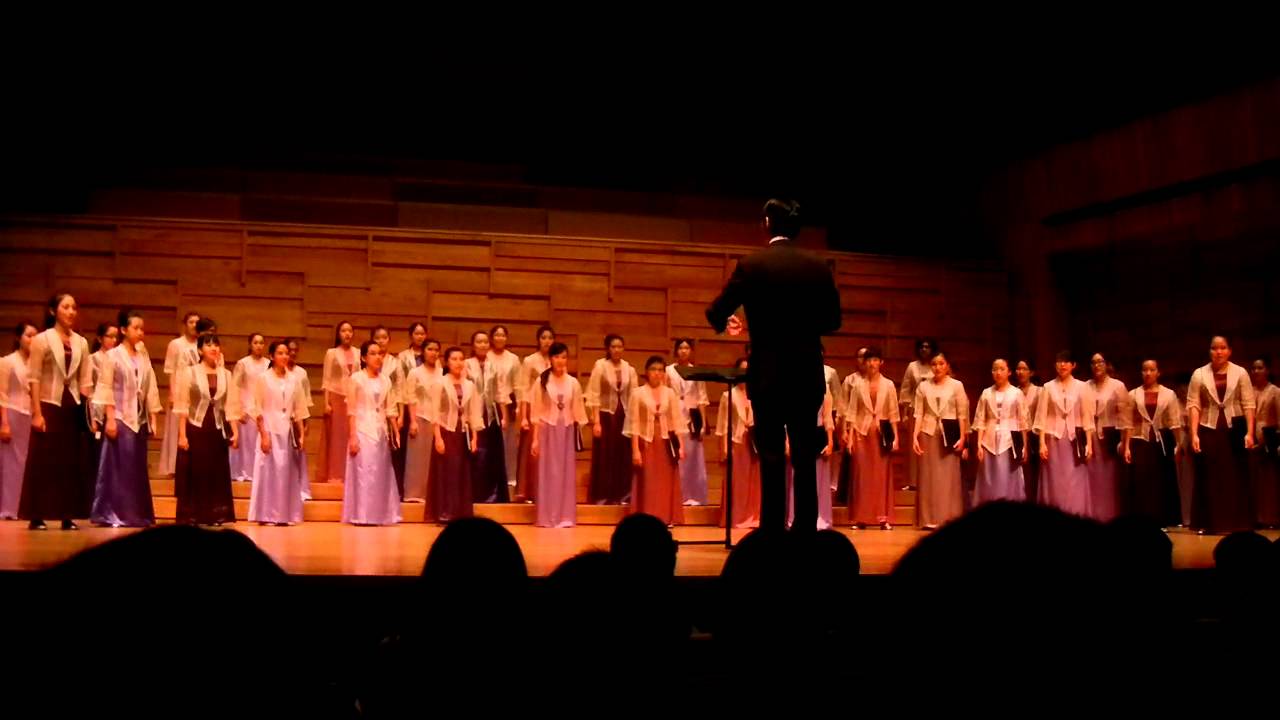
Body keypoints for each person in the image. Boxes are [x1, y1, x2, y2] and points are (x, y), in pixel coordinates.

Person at [705, 198, 842, 532]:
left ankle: (772, 532)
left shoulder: (752, 265)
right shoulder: (818, 266)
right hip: (807, 373)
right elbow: (834, 320)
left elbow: (716, 311)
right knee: (805, 458)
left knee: (770, 457)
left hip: (768, 375)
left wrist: (732, 322)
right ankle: (806, 531)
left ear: (767, 223)